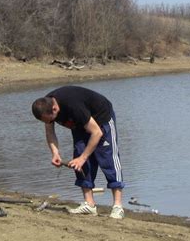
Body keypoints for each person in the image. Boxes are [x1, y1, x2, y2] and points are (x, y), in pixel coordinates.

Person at [31, 86, 124, 219]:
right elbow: (50, 132)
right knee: (78, 160)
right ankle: (89, 204)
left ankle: (118, 206)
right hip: (80, 124)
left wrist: (83, 157)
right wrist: (55, 153)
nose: (50, 123)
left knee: (108, 159)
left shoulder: (73, 105)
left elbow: (96, 132)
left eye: (51, 120)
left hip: (101, 119)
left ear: (55, 109)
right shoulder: (45, 106)